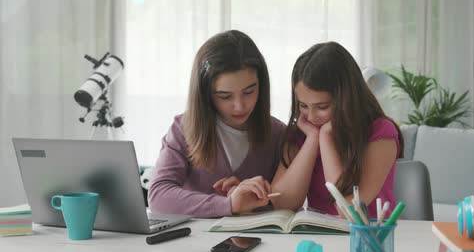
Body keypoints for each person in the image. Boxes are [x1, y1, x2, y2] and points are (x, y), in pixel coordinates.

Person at [148, 30, 285, 218]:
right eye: (225, 96)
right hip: (189, 245)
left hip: (257, 243)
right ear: (205, 94)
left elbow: (284, 203)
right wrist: (228, 204)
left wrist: (250, 198)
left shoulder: (278, 134)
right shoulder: (183, 128)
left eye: (249, 91)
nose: (239, 106)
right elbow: (158, 197)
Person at [270, 42, 404, 219]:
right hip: (322, 236)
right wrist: (312, 139)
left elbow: (349, 211)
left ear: (346, 99)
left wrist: (326, 138)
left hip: (369, 237)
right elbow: (282, 203)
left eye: (322, 106)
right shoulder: (303, 133)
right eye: (303, 105)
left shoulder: (380, 133)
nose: (310, 117)